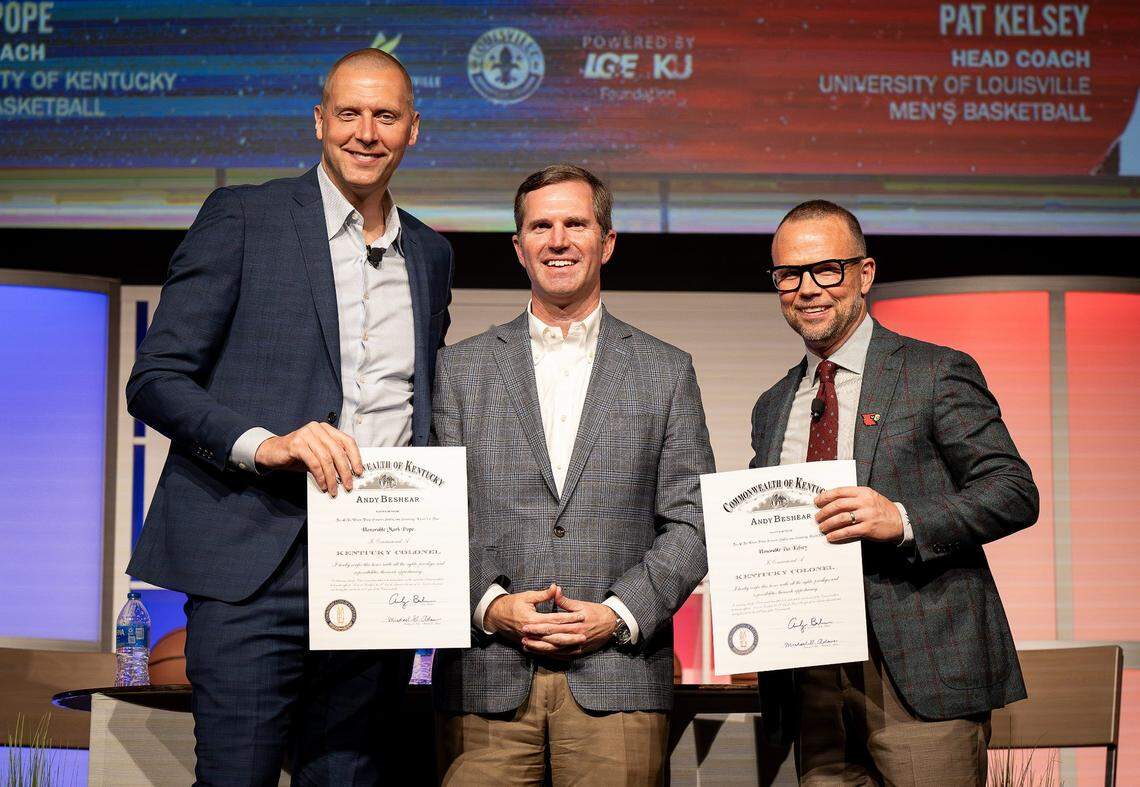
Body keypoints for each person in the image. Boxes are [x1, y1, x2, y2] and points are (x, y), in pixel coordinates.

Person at [125, 48, 453, 785]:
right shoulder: (245, 215)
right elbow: (155, 380)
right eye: (348, 113)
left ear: (413, 131)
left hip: (377, 571)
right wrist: (262, 444)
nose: (366, 132)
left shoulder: (430, 253)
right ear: (318, 122)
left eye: (386, 115)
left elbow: (419, 406)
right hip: (253, 565)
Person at [430, 164, 714, 784]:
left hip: (618, 679)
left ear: (606, 242)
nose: (558, 240)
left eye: (576, 224)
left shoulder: (664, 370)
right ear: (519, 246)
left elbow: (693, 526)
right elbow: (432, 524)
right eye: (541, 226)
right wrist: (491, 605)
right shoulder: (457, 371)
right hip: (486, 679)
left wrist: (617, 613)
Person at [749, 200, 1038, 785]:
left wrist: (902, 518)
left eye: (827, 269)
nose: (807, 288)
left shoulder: (934, 372)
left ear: (865, 274)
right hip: (812, 678)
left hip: (920, 669)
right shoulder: (775, 403)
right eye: (789, 275)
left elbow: (1013, 490)